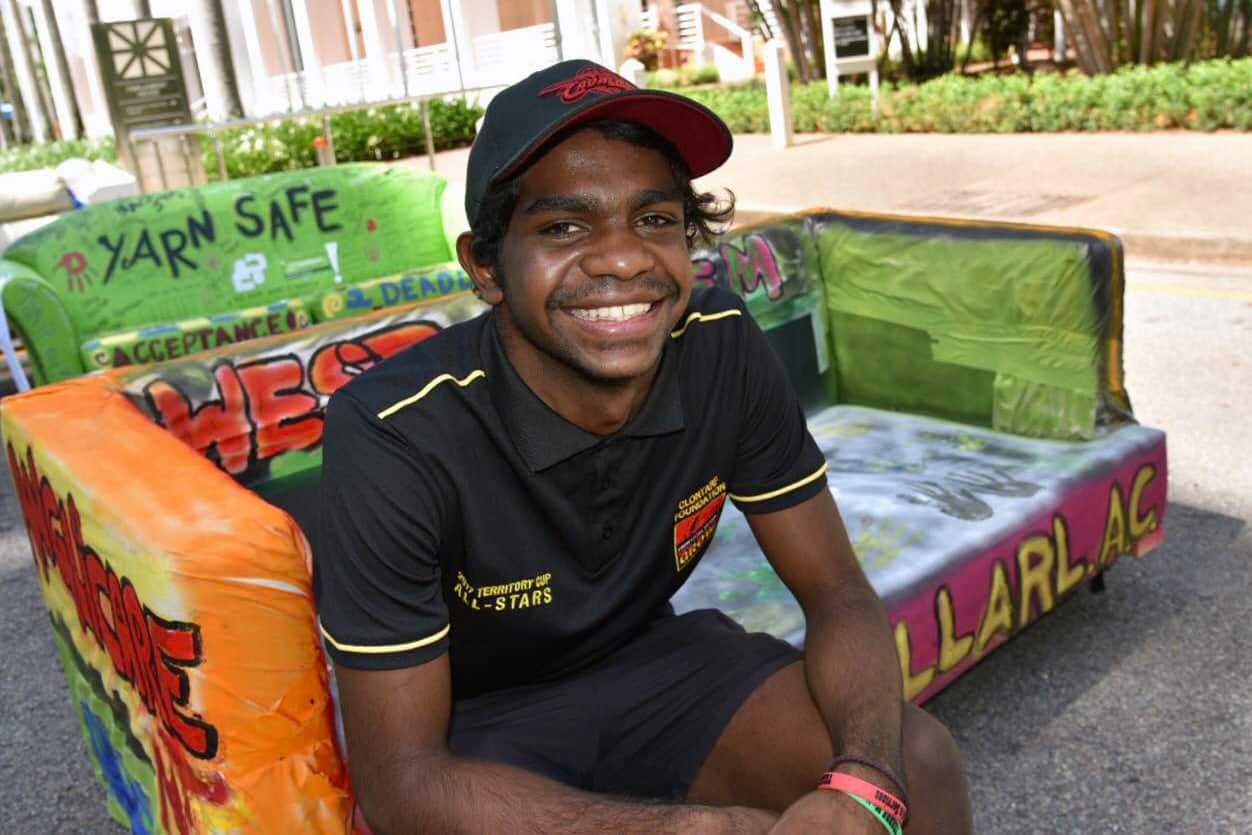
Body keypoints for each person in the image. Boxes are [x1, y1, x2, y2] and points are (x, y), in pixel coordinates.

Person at [314, 60, 973, 834]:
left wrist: (864, 783)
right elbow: (402, 784)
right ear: (486, 266)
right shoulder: (393, 430)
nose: (624, 259)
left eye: (654, 220)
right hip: (475, 729)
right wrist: (694, 827)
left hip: (654, 665)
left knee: (918, 767)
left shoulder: (718, 346)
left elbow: (836, 589)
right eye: (564, 227)